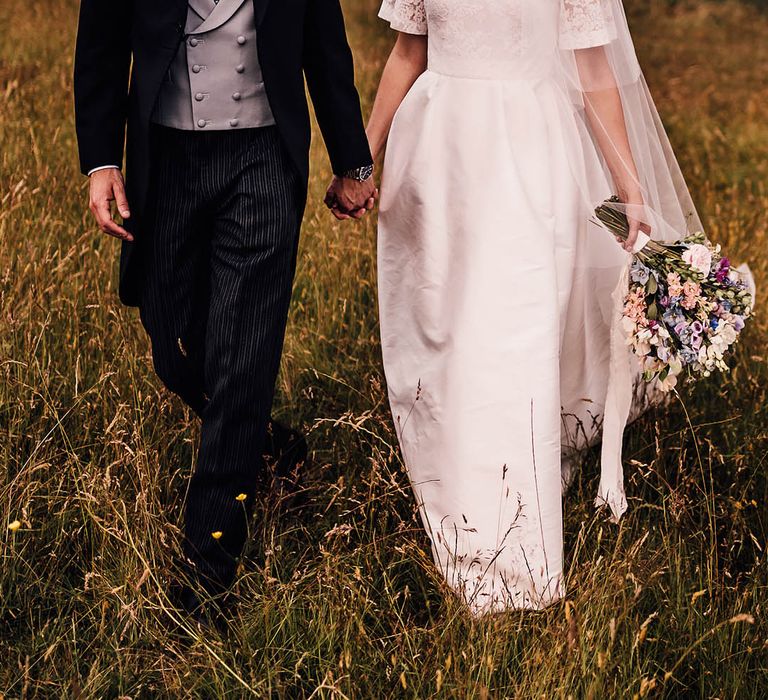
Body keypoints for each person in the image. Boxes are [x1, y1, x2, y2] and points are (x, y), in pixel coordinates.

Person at [357, 0, 705, 615]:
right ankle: (452, 482)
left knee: (511, 333)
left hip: (526, 150)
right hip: (437, 154)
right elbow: (409, 50)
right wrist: (362, 159)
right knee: (443, 331)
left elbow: (594, 71)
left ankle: (513, 547)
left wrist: (630, 189)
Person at [73, 0, 376, 631]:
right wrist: (102, 161)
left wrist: (353, 161)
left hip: (264, 159)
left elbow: (325, 46)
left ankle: (206, 576)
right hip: (168, 160)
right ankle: (265, 441)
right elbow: (101, 39)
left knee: (244, 358)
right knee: (171, 344)